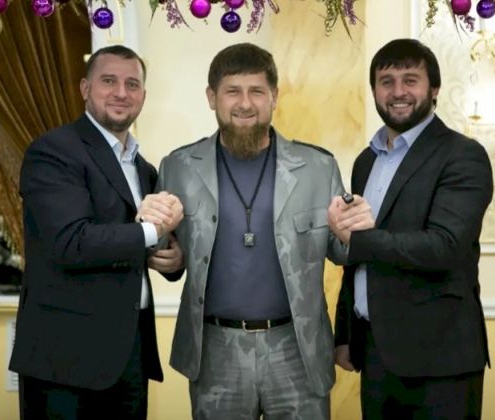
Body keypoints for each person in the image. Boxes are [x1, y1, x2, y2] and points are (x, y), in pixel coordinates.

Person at [152, 42, 373, 419]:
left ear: (274, 97)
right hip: (214, 351)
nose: (245, 103)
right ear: (211, 97)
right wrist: (164, 256)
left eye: (256, 91)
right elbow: (170, 253)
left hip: (297, 349)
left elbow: (343, 253)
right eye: (232, 91)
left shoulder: (318, 167)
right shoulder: (178, 167)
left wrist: (354, 233)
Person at [9, 45, 184, 419]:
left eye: (132, 84)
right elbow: (69, 242)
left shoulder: (143, 168)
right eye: (108, 81)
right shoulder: (53, 151)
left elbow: (145, 243)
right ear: (85, 89)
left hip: (129, 354)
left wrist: (172, 258)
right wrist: (151, 232)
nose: (121, 92)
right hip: (63, 360)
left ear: (143, 96)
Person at [329, 38, 493, 419]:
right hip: (375, 356)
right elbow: (356, 261)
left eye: (410, 80)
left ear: (434, 89)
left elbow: (444, 246)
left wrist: (358, 239)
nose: (398, 91)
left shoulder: (462, 155)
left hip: (441, 361)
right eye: (386, 81)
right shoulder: (366, 161)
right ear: (374, 90)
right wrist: (346, 335)